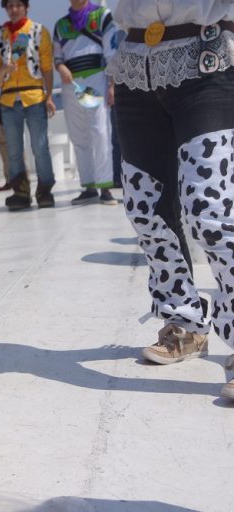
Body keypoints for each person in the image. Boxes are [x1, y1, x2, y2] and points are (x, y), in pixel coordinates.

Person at [108, 1, 234, 400]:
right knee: (146, 210)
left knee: (210, 212)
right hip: (135, 64)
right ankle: (185, 322)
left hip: (207, 58)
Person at [0, 0, 56, 210]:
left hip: (34, 96)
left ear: (26, 7)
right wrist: (6, 66)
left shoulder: (39, 31)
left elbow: (47, 66)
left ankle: (45, 189)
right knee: (13, 149)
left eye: (17, 5)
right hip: (8, 99)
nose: (13, 9)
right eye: (9, 6)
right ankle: (20, 192)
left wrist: (49, 96)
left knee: (40, 147)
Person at [54, 0, 118, 206]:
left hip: (95, 78)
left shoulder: (102, 15)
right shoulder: (61, 25)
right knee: (79, 135)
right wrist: (60, 66)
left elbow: (112, 51)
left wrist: (112, 84)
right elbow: (57, 55)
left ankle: (106, 188)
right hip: (71, 83)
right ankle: (89, 186)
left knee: (99, 132)